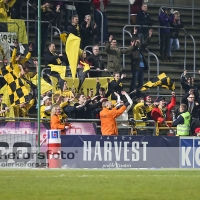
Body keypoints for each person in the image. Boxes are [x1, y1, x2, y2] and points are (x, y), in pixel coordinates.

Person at [129, 28, 152, 98]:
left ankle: (138, 93)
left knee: (141, 82)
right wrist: (134, 34)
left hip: (141, 67)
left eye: (139, 42)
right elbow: (133, 41)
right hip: (136, 67)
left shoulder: (140, 48)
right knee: (134, 81)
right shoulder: (133, 49)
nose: (138, 43)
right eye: (137, 42)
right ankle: (131, 94)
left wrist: (149, 36)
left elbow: (145, 44)